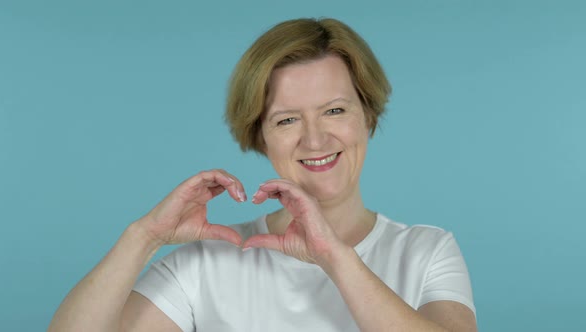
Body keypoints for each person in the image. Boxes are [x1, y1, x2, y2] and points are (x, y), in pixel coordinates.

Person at [48, 18, 476, 332]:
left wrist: (335, 258)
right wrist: (144, 237)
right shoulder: (207, 263)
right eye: (287, 120)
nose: (314, 139)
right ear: (260, 137)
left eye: (334, 110)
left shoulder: (427, 251)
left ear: (367, 116)